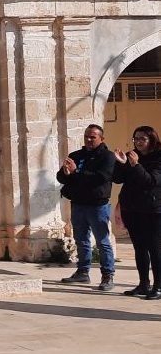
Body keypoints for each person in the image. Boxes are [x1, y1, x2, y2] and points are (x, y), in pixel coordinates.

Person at [56, 124, 117, 290]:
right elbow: (61, 177)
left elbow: (101, 178)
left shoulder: (107, 157)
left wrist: (76, 173)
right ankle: (83, 272)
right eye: (86, 137)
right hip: (78, 204)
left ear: (101, 139)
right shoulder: (76, 155)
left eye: (93, 137)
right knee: (81, 240)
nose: (89, 140)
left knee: (102, 241)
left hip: (98, 206)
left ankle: (107, 275)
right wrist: (66, 173)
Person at [114, 126, 161, 299]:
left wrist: (135, 165)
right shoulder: (132, 155)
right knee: (139, 248)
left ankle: (158, 286)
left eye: (142, 139)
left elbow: (151, 181)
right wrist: (120, 163)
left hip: (153, 210)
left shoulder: (158, 157)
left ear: (152, 140)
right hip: (132, 209)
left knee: (155, 249)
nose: (138, 142)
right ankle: (143, 284)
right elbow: (118, 179)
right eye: (136, 138)